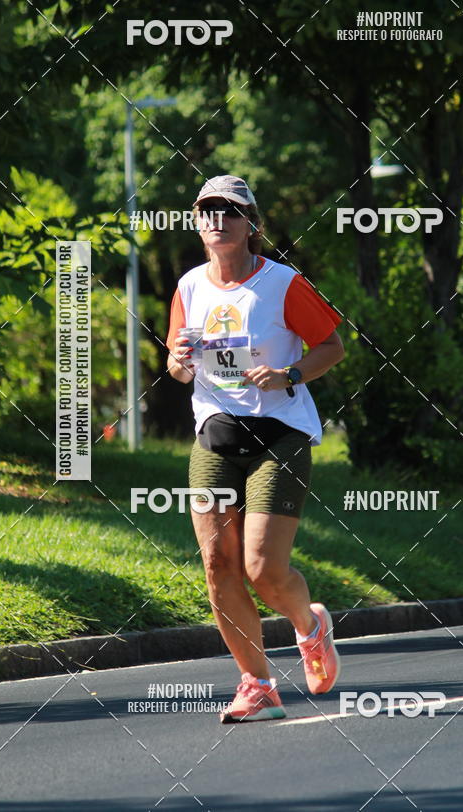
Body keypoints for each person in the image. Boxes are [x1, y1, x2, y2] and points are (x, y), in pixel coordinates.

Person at [166, 175, 345, 722]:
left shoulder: (283, 284)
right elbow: (176, 368)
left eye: (230, 211)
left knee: (263, 570)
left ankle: (311, 628)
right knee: (219, 564)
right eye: (207, 211)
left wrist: (287, 372)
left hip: (279, 435)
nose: (217, 220)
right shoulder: (189, 287)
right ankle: (258, 684)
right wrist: (179, 360)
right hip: (216, 437)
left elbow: (332, 348)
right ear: (198, 223)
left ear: (251, 226)